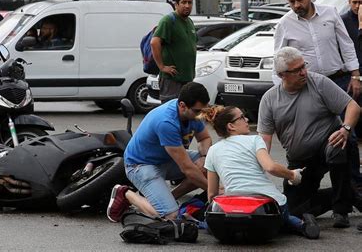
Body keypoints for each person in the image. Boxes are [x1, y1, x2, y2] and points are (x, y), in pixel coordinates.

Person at [258, 47, 362, 228]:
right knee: (293, 209)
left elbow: (353, 106)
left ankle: (341, 210)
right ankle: (345, 195)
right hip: (300, 159)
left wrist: (345, 128)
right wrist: (259, 169)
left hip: (328, 144)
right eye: (297, 70)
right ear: (282, 75)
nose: (303, 72)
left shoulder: (318, 82)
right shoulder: (269, 99)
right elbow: (263, 141)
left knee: (339, 145)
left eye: (303, 66)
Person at [202, 105, 319, 239]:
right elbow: (270, 167)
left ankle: (202, 224)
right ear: (231, 126)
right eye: (241, 117)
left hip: (233, 210)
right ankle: (303, 225)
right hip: (267, 207)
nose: (246, 119)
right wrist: (292, 174)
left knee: (212, 222)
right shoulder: (255, 140)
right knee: (285, 218)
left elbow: (211, 194)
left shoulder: (213, 150)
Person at [106, 82, 212, 222]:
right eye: (197, 111)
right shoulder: (167, 122)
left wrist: (205, 157)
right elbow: (187, 168)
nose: (201, 116)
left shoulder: (192, 112)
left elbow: (204, 138)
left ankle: (168, 199)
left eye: (203, 111)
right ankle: (126, 194)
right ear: (182, 105)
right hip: (141, 165)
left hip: (167, 160)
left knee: (210, 163)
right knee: (170, 216)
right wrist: (214, 193)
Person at [274, 0, 361, 101]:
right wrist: (281, 92)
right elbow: (279, 61)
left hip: (337, 82)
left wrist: (355, 76)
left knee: (344, 117)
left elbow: (346, 45)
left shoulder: (330, 13)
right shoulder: (284, 24)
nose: (296, 5)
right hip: (306, 86)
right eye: (292, 2)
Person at [151, 0, 197, 103]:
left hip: (187, 78)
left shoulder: (189, 21)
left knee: (185, 112)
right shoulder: (168, 20)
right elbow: (154, 42)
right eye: (184, 2)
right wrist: (162, 67)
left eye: (190, 2)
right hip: (172, 79)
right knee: (171, 111)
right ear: (176, 4)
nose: (187, 5)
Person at [340, 0, 362, 187]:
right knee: (351, 135)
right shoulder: (344, 20)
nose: (358, 7)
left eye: (361, 2)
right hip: (351, 82)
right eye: (354, 2)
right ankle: (355, 181)